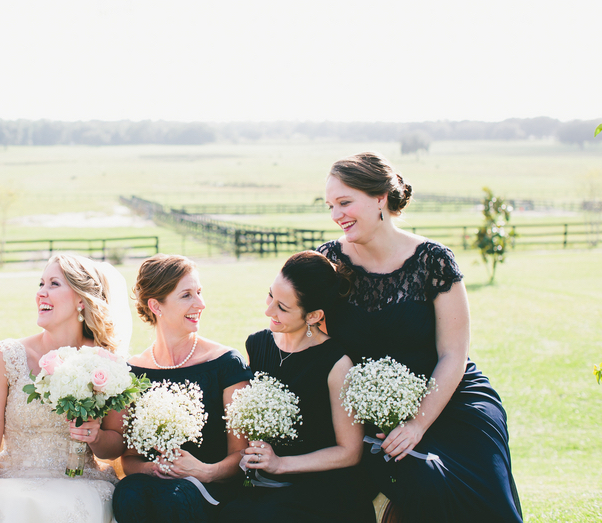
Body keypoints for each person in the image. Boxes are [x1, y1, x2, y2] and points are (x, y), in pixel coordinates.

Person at [317, 151, 522, 523]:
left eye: (345, 202)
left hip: (451, 400)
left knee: (471, 485)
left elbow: (453, 355)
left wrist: (416, 425)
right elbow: (305, 336)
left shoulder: (433, 260)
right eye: (330, 205)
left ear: (380, 198)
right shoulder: (327, 262)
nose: (336, 215)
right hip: (367, 411)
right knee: (423, 481)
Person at [0, 253, 134, 523]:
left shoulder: (105, 364)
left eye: (54, 284)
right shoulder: (6, 356)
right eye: (40, 284)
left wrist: (95, 437)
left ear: (81, 300)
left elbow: (115, 445)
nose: (41, 293)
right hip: (14, 481)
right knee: (16, 507)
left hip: (81, 484)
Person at [218, 251, 374, 523]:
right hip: (264, 485)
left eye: (282, 307)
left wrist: (280, 464)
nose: (268, 311)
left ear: (313, 316)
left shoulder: (337, 364)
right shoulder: (257, 344)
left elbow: (350, 452)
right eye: (271, 296)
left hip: (320, 487)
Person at [112, 254, 253, 523]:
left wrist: (204, 471)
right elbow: (129, 459)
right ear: (156, 305)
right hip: (153, 486)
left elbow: (241, 453)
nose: (201, 303)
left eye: (199, 292)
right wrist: (151, 468)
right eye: (187, 295)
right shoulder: (133, 373)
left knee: (175, 499)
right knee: (127, 493)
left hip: (212, 488)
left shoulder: (226, 364)